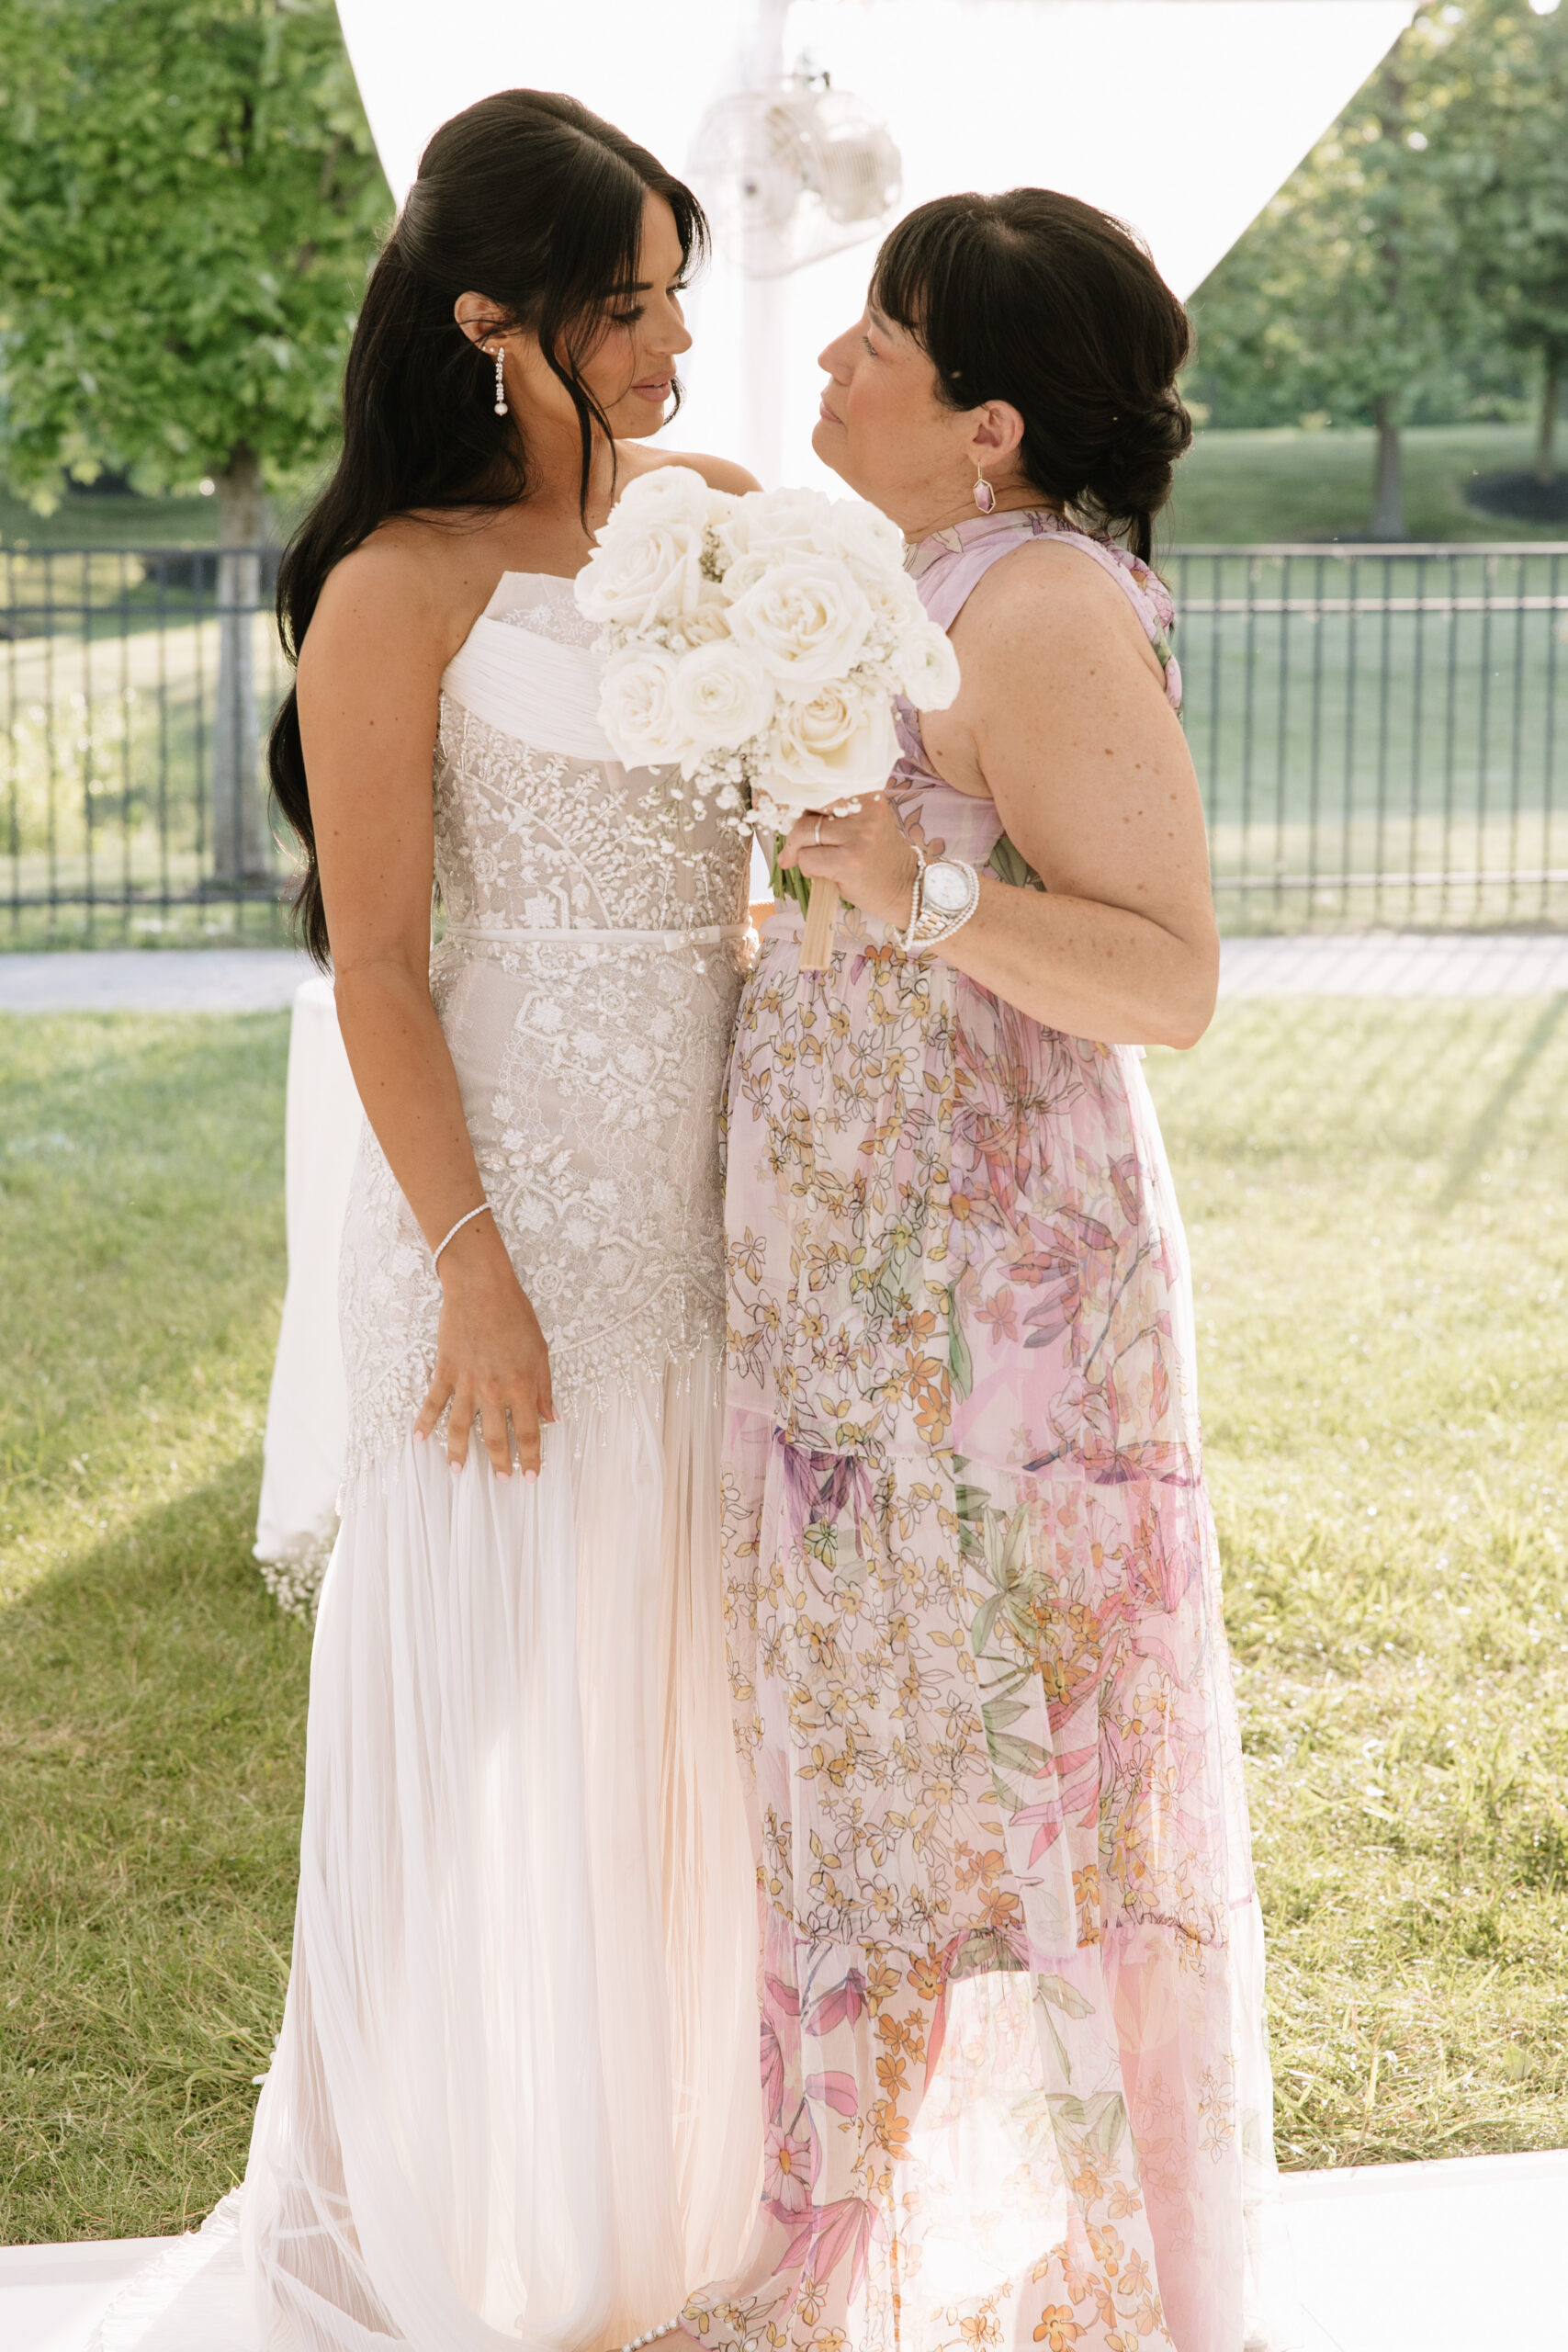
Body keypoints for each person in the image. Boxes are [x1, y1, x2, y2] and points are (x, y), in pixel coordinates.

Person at [687, 192, 1296, 2352]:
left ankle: (1100, 2293)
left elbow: (1165, 979)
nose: (832, 360)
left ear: (989, 423)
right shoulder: (906, 582)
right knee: (867, 1794)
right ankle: (832, 2264)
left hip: (993, 1338)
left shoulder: (1035, 603)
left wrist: (913, 894)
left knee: (1028, 1790)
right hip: (857, 1308)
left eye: (881, 336)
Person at [198, 89, 760, 2352]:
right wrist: (474, 1271)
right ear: (490, 320)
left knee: (679, 1725)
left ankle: (653, 2219)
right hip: (493, 1216)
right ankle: (371, 2229)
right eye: (623, 308)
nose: (668, 352)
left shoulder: (717, 532)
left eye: (676, 299)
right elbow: (378, 966)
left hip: (700, 1204)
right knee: (471, 1741)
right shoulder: (395, 583)